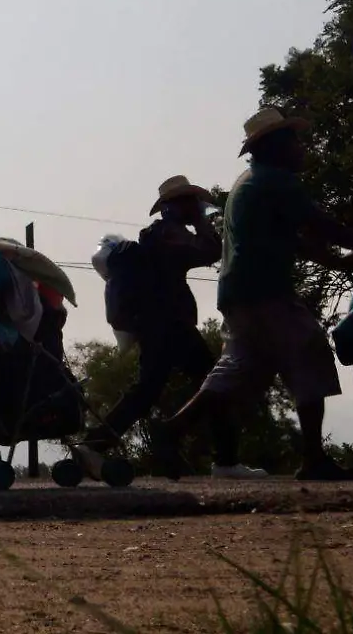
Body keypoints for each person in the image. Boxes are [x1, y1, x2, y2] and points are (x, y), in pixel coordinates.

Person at [151, 108, 353, 481]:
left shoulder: (249, 183)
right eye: (293, 141)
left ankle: (171, 431)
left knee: (237, 369)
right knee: (309, 350)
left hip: (239, 292)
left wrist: (342, 262)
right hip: (266, 289)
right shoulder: (275, 181)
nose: (301, 148)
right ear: (273, 146)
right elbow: (320, 225)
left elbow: (296, 240)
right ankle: (314, 458)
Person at [86, 175, 264, 479]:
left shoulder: (162, 234)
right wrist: (202, 224)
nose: (197, 206)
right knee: (212, 382)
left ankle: (96, 443)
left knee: (153, 388)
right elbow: (210, 252)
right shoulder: (169, 234)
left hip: (161, 323)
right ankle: (225, 460)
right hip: (169, 323)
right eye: (191, 202)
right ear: (176, 205)